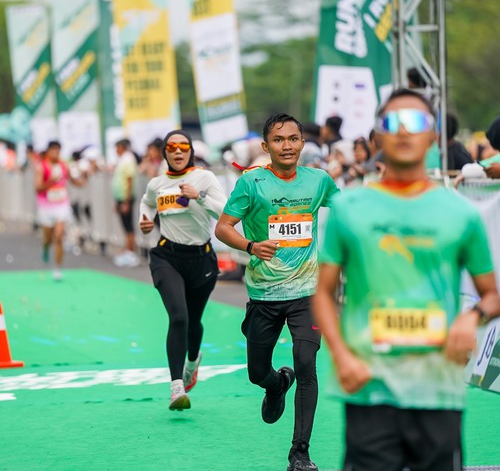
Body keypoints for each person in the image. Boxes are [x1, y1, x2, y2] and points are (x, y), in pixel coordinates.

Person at [312, 88, 500, 471]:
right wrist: (341, 356)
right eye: (391, 122)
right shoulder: (349, 207)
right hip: (369, 386)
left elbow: (492, 296)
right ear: (377, 137)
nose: (403, 131)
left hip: (438, 388)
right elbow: (323, 293)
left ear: (433, 136)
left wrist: (471, 318)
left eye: (415, 122)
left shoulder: (461, 213)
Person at [215, 113, 340, 471]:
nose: (287, 146)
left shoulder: (319, 180)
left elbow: (347, 211)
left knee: (307, 363)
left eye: (293, 139)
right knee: (257, 372)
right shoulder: (251, 182)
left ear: (303, 143)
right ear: (265, 146)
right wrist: (251, 246)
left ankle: (300, 452)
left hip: (307, 292)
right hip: (264, 293)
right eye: (279, 139)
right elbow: (223, 228)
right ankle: (277, 383)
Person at [139, 130, 227, 411]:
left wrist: (199, 196)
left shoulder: (205, 178)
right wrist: (145, 220)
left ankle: (192, 362)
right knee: (179, 317)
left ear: (191, 151)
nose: (178, 152)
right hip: (167, 257)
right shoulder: (157, 183)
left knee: (193, 320)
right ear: (165, 152)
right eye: (172, 147)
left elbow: (225, 212)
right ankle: (176, 387)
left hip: (201, 259)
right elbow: (146, 202)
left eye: (183, 147)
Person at [34, 140, 83, 281]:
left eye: (58, 150)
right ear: (48, 151)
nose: (56, 152)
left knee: (59, 236)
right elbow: (37, 188)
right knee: (48, 238)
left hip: (62, 205)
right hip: (46, 206)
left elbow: (72, 180)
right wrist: (51, 180)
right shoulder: (41, 167)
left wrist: (82, 181)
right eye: (53, 150)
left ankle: (57, 268)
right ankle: (45, 248)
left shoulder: (63, 165)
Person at [112, 138, 140, 268]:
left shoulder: (128, 159)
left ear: (122, 147)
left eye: (117, 147)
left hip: (125, 198)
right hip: (121, 197)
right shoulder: (122, 159)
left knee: (129, 225)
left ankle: (131, 252)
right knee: (125, 225)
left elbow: (129, 179)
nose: (116, 150)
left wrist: (126, 201)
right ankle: (127, 250)